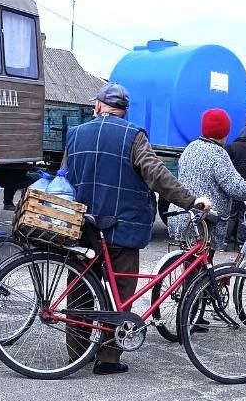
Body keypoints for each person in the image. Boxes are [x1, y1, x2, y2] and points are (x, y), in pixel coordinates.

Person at [64, 83, 211, 375]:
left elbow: (65, 176)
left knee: (79, 288)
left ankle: (76, 354)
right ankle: (108, 357)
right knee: (122, 292)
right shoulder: (133, 136)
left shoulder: (76, 134)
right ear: (124, 110)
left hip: (81, 224)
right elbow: (156, 174)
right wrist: (191, 200)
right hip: (122, 225)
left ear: (98, 106)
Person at [170, 109, 246, 249]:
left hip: (182, 215)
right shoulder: (218, 153)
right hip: (203, 223)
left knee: (190, 266)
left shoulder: (190, 148)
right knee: (201, 268)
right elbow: (235, 187)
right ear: (224, 132)